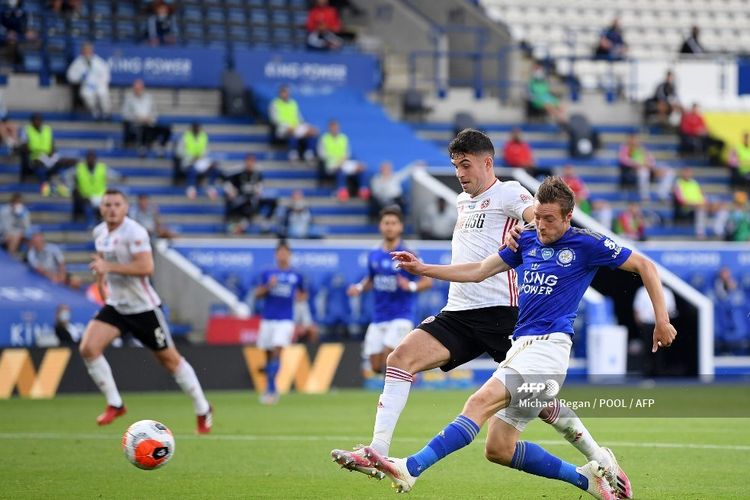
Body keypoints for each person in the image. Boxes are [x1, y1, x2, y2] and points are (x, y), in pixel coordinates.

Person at [331, 130, 633, 499]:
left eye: (466, 164)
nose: (460, 172)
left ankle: (598, 458)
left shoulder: (507, 192)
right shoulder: (463, 201)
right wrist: (425, 268)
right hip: (458, 311)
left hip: (501, 315)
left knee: (537, 402)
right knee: (400, 359)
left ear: (487, 163)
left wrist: (522, 229)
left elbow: (535, 217)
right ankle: (377, 451)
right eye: (456, 165)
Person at [368, 176, 675, 498]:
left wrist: (662, 320)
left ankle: (409, 468)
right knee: (499, 448)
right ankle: (588, 478)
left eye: (549, 219)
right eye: (538, 217)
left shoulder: (586, 245)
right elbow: (478, 271)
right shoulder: (527, 239)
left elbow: (645, 266)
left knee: (478, 402)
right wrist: (424, 269)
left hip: (549, 350)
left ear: (568, 217)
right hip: (519, 348)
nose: (541, 225)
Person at [79, 189, 213, 432]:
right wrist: (101, 282)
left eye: (117, 204)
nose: (111, 209)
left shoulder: (135, 232)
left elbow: (146, 267)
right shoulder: (99, 232)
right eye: (107, 204)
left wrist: (108, 265)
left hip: (144, 308)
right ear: (101, 208)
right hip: (117, 306)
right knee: (88, 348)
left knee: (170, 361)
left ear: (126, 208)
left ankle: (203, 408)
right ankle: (115, 403)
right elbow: (102, 263)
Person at [347, 206, 432, 374]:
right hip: (379, 317)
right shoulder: (374, 254)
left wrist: (411, 286)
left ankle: (392, 397)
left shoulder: (408, 253)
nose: (390, 227)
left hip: (401, 315)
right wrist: (359, 287)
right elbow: (371, 279)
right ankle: (408, 374)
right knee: (376, 366)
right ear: (380, 226)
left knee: (389, 359)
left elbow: (427, 281)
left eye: (393, 223)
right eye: (386, 223)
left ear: (400, 227)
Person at [252, 240, 306, 405]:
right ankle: (271, 387)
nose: (282, 255)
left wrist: (298, 300)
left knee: (277, 350)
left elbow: (303, 294)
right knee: (268, 355)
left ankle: (271, 390)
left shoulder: (296, 275)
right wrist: (269, 286)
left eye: (285, 252)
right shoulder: (268, 273)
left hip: (285, 320)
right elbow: (257, 294)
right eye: (280, 252)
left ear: (289, 255)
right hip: (268, 319)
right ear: (276, 255)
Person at [18, 113, 76, 194]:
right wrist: (35, 150)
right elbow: (24, 146)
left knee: (69, 161)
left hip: (48, 155)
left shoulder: (47, 129)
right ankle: (45, 185)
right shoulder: (26, 130)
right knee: (39, 164)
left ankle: (63, 185)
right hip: (35, 156)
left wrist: (52, 152)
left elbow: (52, 144)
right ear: (31, 122)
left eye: (39, 120)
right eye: (35, 120)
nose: (38, 122)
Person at [222, 153, 277, 234]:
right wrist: (231, 191)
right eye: (248, 161)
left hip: (253, 200)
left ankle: (265, 224)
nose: (250, 163)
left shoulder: (257, 174)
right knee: (246, 203)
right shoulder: (238, 174)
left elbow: (259, 188)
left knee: (273, 202)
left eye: (252, 161)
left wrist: (258, 191)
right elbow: (227, 182)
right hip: (241, 200)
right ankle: (238, 225)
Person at [633, 285, 677, 377]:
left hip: (661, 325)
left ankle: (659, 371)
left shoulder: (667, 292)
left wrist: (663, 319)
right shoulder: (642, 291)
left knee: (661, 349)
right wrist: (640, 323)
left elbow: (672, 309)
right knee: (647, 348)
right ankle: (646, 372)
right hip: (647, 324)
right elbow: (637, 309)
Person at [317, 119, 366, 201]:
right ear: (329, 128)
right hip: (331, 163)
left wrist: (343, 159)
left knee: (360, 167)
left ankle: (363, 190)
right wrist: (335, 160)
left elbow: (348, 153)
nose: (335, 129)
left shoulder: (343, 138)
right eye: (333, 127)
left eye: (336, 127)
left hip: (344, 162)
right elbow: (321, 154)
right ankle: (342, 191)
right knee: (340, 170)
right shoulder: (324, 138)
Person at [121, 79, 172, 156]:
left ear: (142, 88)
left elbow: (155, 112)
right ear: (133, 89)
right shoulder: (129, 99)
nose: (137, 90)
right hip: (136, 124)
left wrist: (150, 118)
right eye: (136, 88)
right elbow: (125, 114)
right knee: (143, 128)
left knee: (167, 129)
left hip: (149, 123)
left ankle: (161, 147)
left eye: (139, 88)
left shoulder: (149, 98)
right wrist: (137, 117)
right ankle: (142, 148)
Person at [618, 133, 674, 202]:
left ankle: (662, 195)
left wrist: (654, 168)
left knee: (669, 172)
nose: (634, 141)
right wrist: (639, 165)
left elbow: (651, 160)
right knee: (643, 172)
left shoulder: (641, 149)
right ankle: (644, 196)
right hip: (632, 172)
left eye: (636, 139)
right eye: (632, 139)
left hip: (647, 169)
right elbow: (624, 160)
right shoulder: (624, 149)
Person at [268, 85, 319, 162]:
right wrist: (288, 126)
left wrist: (307, 127)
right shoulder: (274, 103)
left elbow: (300, 118)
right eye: (283, 93)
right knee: (292, 131)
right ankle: (293, 153)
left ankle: (309, 153)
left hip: (295, 126)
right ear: (280, 93)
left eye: (287, 92)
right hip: (282, 128)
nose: (285, 94)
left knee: (312, 131)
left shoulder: (293, 103)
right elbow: (274, 119)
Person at [174, 122, 220, 200]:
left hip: (201, 160)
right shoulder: (185, 137)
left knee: (214, 168)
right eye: (195, 129)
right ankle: (191, 189)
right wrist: (190, 156)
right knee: (192, 169)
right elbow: (178, 151)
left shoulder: (203, 136)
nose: (197, 130)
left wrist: (200, 156)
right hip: (188, 160)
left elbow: (207, 150)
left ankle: (210, 188)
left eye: (198, 129)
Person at [66, 42, 111, 119]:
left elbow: (106, 74)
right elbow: (70, 76)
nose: (87, 52)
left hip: (99, 84)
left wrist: (101, 83)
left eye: (89, 50)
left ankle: (106, 113)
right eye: (85, 50)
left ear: (92, 51)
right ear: (82, 51)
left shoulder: (99, 62)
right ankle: (96, 113)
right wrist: (79, 78)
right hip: (86, 85)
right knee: (86, 94)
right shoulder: (77, 63)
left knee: (103, 93)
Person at [72, 149, 111, 224]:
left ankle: (99, 220)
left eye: (92, 157)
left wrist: (121, 177)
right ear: (86, 159)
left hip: (100, 196)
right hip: (85, 196)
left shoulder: (102, 168)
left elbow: (113, 175)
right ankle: (80, 217)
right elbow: (68, 175)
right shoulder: (79, 168)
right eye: (89, 157)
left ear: (95, 159)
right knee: (76, 195)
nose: (90, 159)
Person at [673, 167, 707, 238]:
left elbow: (701, 196)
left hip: (697, 205)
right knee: (700, 209)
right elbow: (681, 200)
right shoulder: (678, 183)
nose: (687, 174)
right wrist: (695, 204)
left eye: (689, 173)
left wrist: (703, 202)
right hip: (686, 207)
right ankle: (700, 233)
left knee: (722, 207)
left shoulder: (694, 183)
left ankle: (719, 232)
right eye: (686, 172)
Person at [0, 192, 30, 256]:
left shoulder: (24, 211)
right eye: (16, 202)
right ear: (12, 202)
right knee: (14, 236)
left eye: (20, 203)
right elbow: (4, 226)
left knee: (33, 240)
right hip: (4, 233)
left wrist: (21, 216)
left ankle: (26, 259)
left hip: (19, 233)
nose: (17, 204)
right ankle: (10, 258)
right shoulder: (4, 210)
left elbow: (27, 225)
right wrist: (12, 212)